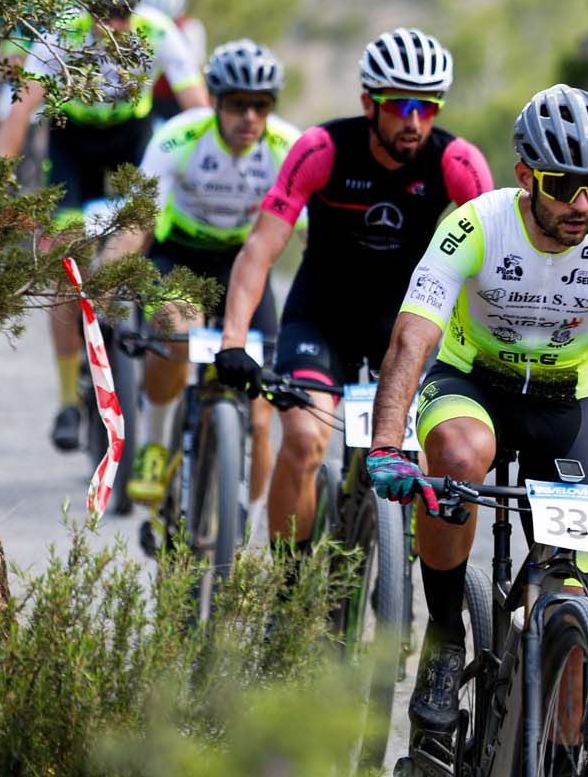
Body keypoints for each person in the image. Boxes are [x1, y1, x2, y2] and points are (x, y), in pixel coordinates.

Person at [363, 83, 588, 738]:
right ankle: (446, 637)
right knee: (455, 457)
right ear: (526, 176)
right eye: (565, 184)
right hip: (473, 385)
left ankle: (559, 775)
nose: (583, 204)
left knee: (576, 611)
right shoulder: (476, 224)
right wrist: (387, 444)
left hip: (564, 406)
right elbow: (411, 337)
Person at [211, 27, 493, 556]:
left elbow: (496, 258)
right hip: (322, 317)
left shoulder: (457, 161)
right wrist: (233, 339)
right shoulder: (321, 148)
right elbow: (260, 249)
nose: (414, 121)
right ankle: (289, 596)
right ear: (370, 103)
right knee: (303, 438)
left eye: (427, 107)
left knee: (434, 453)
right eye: (400, 105)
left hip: (403, 327)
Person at [0, 0, 209, 452]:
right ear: (87, 6)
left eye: (125, 9)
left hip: (132, 143)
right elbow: (19, 116)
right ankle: (68, 400)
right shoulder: (61, 34)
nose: (116, 21)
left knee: (144, 234)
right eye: (105, 9)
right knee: (66, 258)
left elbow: (199, 114)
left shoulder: (157, 31)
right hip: (75, 146)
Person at [98, 39, 301, 514]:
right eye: (236, 105)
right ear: (214, 101)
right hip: (180, 258)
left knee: (261, 406)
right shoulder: (179, 137)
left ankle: (240, 526)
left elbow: (317, 237)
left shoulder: (287, 148)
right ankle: (154, 443)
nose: (249, 117)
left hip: (244, 266)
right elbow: (136, 221)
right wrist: (106, 283)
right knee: (177, 328)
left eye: (261, 105)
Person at [142, 0, 209, 121]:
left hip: (177, 99)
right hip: (150, 98)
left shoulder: (191, 27)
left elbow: (195, 64)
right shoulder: (141, 26)